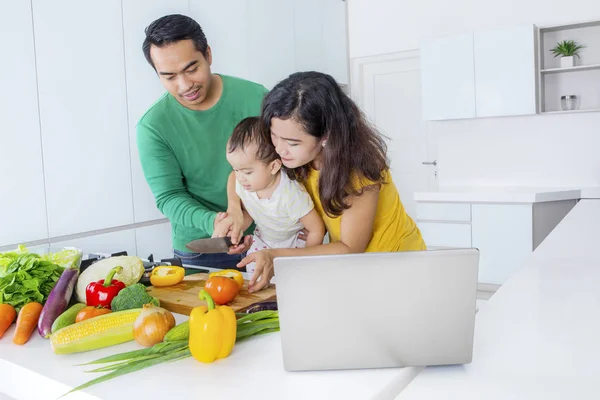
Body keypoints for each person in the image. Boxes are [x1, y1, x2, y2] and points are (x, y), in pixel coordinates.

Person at [226, 71, 426, 292]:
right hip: (354, 269)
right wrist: (238, 217)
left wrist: (275, 256)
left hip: (396, 266)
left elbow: (350, 248)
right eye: (274, 136)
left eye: (292, 142)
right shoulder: (296, 158)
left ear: (326, 136)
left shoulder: (357, 171)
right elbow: (244, 179)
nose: (279, 149)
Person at [136, 14, 264, 268]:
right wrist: (215, 222)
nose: (185, 85)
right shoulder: (153, 126)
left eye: (191, 69)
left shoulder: (257, 98)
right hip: (204, 247)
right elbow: (169, 196)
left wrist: (248, 216)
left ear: (208, 54)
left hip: (270, 235)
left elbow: (287, 166)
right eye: (169, 77)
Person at [213, 117, 325, 277]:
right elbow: (253, 212)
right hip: (262, 240)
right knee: (258, 281)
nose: (240, 177)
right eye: (236, 169)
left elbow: (316, 229)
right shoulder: (247, 183)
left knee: (290, 284)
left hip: (292, 245)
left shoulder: (290, 194)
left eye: (247, 171)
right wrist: (235, 232)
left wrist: (305, 259)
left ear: (274, 166)